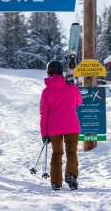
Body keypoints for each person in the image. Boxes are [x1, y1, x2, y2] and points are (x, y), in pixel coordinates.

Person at [39, 60, 83, 191]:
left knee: (57, 153)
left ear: (49, 72)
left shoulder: (46, 92)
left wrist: (44, 134)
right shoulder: (71, 87)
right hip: (71, 125)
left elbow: (44, 115)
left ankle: (56, 183)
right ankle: (71, 175)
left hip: (54, 128)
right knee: (71, 152)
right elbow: (79, 101)